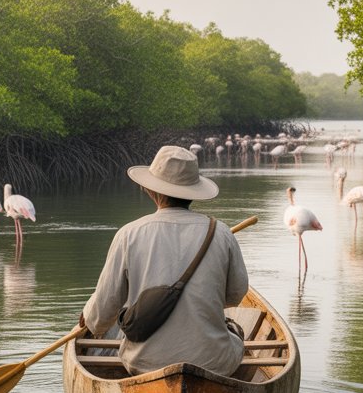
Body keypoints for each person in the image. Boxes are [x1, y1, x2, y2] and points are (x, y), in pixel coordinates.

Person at [79, 145, 249, 376]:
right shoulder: (221, 232)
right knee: (236, 335)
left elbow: (101, 317)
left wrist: (88, 318)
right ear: (193, 192)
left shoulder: (129, 234)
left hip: (145, 362)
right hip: (214, 362)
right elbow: (235, 295)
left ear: (151, 191)